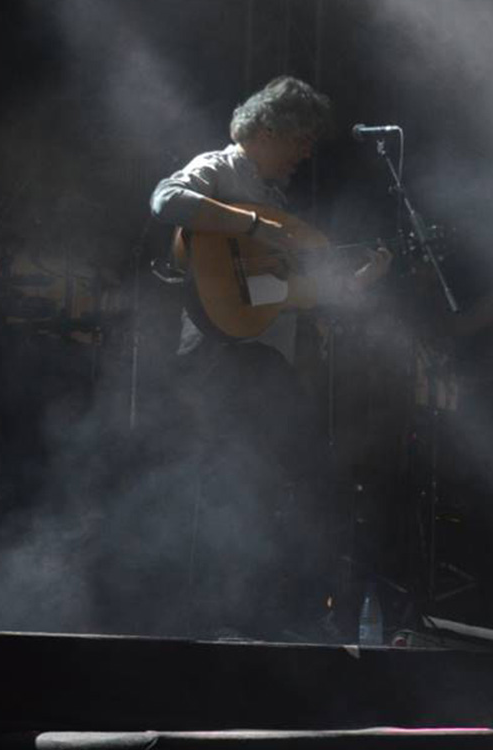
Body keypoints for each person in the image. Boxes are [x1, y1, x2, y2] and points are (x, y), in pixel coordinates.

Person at [148, 76, 391, 638]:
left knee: (286, 485)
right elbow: (166, 200)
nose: (305, 153)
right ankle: (227, 621)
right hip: (219, 354)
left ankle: (268, 620)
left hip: (264, 358)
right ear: (267, 130)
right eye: (300, 139)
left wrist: (356, 285)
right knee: (260, 483)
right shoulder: (220, 169)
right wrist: (254, 224)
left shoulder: (287, 207)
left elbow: (284, 294)